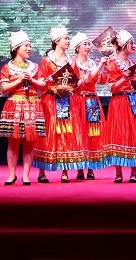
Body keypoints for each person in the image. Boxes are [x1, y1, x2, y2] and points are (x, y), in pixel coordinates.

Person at [32, 25, 87, 183]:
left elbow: (76, 83)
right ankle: (42, 171)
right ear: (56, 41)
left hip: (66, 101)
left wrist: (79, 82)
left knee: (67, 134)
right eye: (65, 38)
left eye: (68, 38)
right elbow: (42, 84)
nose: (68, 41)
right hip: (50, 101)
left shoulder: (72, 61)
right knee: (48, 134)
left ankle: (65, 170)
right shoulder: (47, 61)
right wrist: (48, 82)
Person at [0, 31, 46, 186]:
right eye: (26, 46)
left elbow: (43, 86)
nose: (29, 48)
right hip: (14, 106)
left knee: (29, 143)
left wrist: (32, 80)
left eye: (30, 46)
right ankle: (11, 174)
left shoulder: (35, 67)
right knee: (13, 142)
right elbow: (4, 88)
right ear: (16, 48)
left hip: (32, 105)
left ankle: (26, 175)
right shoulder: (7, 68)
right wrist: (19, 80)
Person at [103, 29, 136, 183]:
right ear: (124, 45)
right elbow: (111, 88)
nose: (134, 45)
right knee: (119, 133)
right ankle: (118, 173)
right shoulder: (113, 62)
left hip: (133, 100)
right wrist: (123, 78)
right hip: (119, 101)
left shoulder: (132, 63)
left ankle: (134, 172)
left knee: (134, 134)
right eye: (132, 43)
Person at [70, 32, 108, 180]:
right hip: (79, 101)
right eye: (84, 44)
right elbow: (85, 80)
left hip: (92, 102)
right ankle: (80, 168)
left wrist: (104, 68)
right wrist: (99, 66)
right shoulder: (73, 63)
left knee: (93, 133)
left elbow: (101, 81)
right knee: (80, 133)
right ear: (77, 48)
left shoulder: (92, 63)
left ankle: (91, 168)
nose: (87, 47)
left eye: (88, 44)